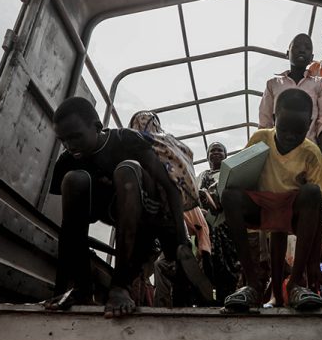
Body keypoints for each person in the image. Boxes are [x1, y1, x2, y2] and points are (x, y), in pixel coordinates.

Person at [46, 97, 197, 317]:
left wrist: (182, 244)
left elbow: (170, 187)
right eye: (63, 140)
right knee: (72, 180)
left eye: (75, 137)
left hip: (154, 214)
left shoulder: (125, 140)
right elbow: (68, 230)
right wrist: (61, 287)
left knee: (127, 169)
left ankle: (121, 285)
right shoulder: (68, 160)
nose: (70, 145)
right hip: (115, 210)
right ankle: (81, 288)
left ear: (97, 127)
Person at [221, 89, 322, 311]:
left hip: (291, 211)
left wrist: (314, 265)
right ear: (274, 118)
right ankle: (251, 285)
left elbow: (318, 209)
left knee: (312, 193)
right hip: (261, 207)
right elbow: (241, 173)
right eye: (284, 128)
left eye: (299, 130)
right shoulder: (260, 138)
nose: (290, 135)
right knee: (229, 195)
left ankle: (296, 284)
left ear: (309, 124)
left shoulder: (312, 152)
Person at [128, 110, 213, 307]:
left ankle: (136, 299)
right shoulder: (171, 143)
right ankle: (181, 300)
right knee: (175, 257)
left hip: (144, 210)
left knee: (140, 259)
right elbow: (178, 182)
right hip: (170, 212)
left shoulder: (133, 142)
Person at [258, 33, 322, 148]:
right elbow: (265, 120)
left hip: (309, 149)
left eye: (307, 48)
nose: (302, 50)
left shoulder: (320, 83)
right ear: (287, 54)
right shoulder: (273, 84)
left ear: (311, 59)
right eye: (297, 46)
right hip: (278, 150)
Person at [197, 142, 240, 301]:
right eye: (212, 150)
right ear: (207, 156)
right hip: (205, 223)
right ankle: (208, 298)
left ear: (225, 155)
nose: (215, 152)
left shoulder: (231, 173)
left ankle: (228, 295)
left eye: (219, 150)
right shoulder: (201, 176)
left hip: (226, 223)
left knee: (229, 260)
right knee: (208, 260)